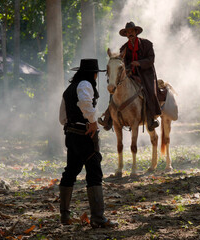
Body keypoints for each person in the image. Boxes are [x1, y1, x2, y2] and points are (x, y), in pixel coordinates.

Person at [59, 59, 117, 228]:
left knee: (71, 171)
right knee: (94, 172)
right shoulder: (85, 84)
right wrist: (92, 122)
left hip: (71, 134)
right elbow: (85, 103)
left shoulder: (69, 88)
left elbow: (62, 117)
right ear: (92, 74)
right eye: (96, 74)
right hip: (85, 135)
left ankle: (65, 215)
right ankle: (98, 218)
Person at [99, 21, 161, 131]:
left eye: (132, 31)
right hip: (130, 75)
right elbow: (123, 63)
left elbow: (151, 60)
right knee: (114, 89)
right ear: (126, 34)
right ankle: (108, 119)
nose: (130, 34)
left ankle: (151, 119)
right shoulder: (123, 48)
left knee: (150, 91)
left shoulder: (147, 44)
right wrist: (127, 70)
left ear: (136, 32)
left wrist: (139, 63)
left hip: (145, 74)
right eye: (127, 32)